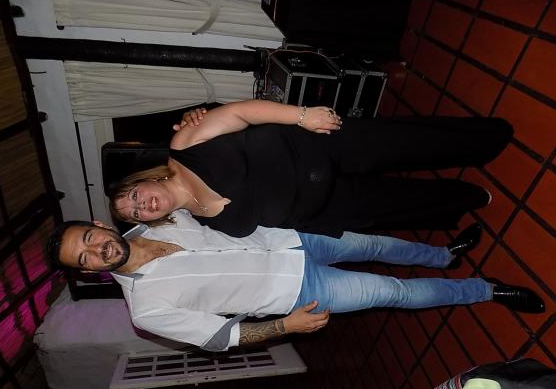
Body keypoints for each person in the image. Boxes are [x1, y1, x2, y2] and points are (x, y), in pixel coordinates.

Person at [46, 212, 545, 351]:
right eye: (84, 258)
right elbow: (220, 337)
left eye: (89, 237)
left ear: (100, 225)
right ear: (88, 272)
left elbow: (192, 181)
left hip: (290, 239)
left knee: (375, 244)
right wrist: (286, 327)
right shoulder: (145, 310)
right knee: (393, 291)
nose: (96, 250)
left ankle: (444, 255)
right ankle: (486, 290)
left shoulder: (155, 216)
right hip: (297, 293)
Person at [109, 99, 512, 238]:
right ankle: (468, 197)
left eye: (133, 197)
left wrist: (301, 116)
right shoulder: (197, 225)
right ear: (151, 220)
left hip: (315, 145)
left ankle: (485, 140)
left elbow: (239, 113)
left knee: (409, 142)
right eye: (136, 214)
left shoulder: (183, 146)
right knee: (404, 203)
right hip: (329, 207)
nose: (141, 205)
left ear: (140, 181)